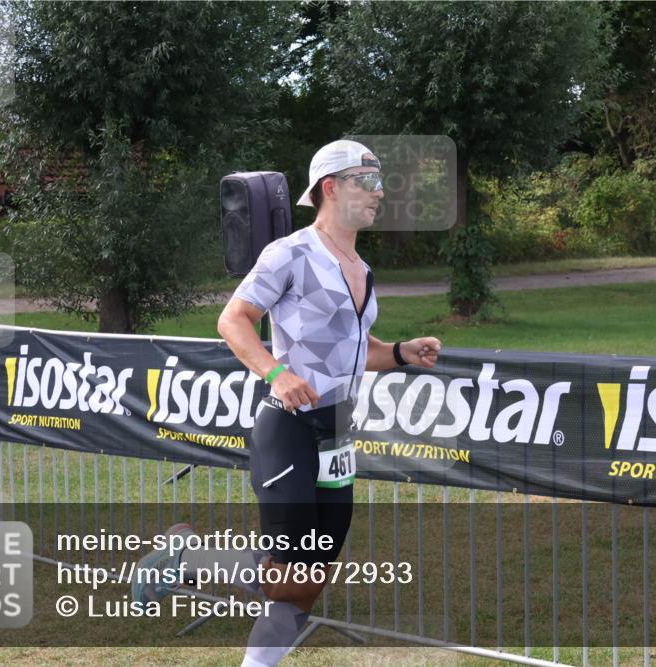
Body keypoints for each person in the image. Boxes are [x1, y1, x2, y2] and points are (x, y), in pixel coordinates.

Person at [133, 139, 442, 667]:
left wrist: (400, 352)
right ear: (331, 188)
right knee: (286, 576)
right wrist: (275, 373)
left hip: (338, 432)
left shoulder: (361, 267)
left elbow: (353, 351)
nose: (379, 192)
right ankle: (189, 554)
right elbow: (233, 320)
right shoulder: (290, 253)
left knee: (310, 582)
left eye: (380, 181)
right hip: (291, 428)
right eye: (366, 180)